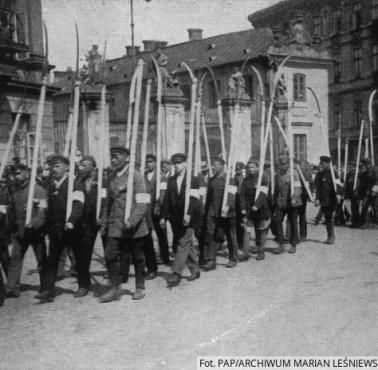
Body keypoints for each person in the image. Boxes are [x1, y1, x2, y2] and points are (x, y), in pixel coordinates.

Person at [99, 146, 150, 302]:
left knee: (138, 257)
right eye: (112, 157)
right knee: (110, 255)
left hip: (134, 226)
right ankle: (115, 287)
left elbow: (143, 203)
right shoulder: (112, 176)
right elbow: (108, 202)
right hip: (115, 225)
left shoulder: (135, 176)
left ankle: (140, 287)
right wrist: (104, 222)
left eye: (117, 157)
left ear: (127, 158)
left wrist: (132, 221)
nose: (114, 160)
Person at [37, 154, 84, 303]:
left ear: (67, 167)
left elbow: (78, 204)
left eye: (57, 166)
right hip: (55, 229)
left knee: (79, 257)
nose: (53, 169)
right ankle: (48, 290)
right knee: (52, 260)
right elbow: (47, 207)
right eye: (52, 166)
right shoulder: (50, 185)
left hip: (72, 228)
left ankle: (83, 285)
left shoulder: (74, 183)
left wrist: (72, 221)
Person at [161, 153, 203, 287]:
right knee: (185, 243)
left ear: (185, 163)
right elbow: (167, 200)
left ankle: (176, 273)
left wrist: (188, 214)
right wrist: (163, 216)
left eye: (179, 163)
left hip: (190, 217)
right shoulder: (171, 180)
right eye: (175, 164)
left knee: (183, 243)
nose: (177, 166)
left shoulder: (193, 179)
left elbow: (194, 200)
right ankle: (195, 270)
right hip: (175, 218)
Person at [6, 164, 47, 298]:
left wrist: (34, 224)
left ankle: (45, 287)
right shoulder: (14, 191)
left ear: (26, 174)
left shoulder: (38, 190)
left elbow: (43, 212)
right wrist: (11, 228)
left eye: (18, 173)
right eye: (14, 174)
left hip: (36, 232)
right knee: (15, 260)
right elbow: (12, 211)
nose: (16, 176)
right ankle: (12, 288)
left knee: (41, 260)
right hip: (19, 233)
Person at [71, 156, 102, 298]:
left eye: (85, 166)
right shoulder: (78, 182)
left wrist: (103, 218)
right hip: (84, 223)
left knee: (111, 251)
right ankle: (83, 284)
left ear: (93, 167)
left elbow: (106, 200)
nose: (81, 168)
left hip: (100, 220)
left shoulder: (102, 181)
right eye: (80, 165)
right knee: (83, 253)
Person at [202, 156, 238, 270]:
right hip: (213, 212)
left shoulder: (230, 179)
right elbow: (208, 198)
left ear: (222, 165)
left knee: (230, 236)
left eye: (216, 164)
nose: (213, 167)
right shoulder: (212, 180)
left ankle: (233, 258)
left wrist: (227, 207)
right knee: (211, 235)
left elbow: (232, 196)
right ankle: (211, 260)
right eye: (213, 164)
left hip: (227, 213)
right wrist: (206, 211)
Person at [239, 158, 271, 261]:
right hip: (249, 211)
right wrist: (243, 208)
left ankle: (261, 251)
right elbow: (242, 195)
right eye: (248, 167)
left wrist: (257, 205)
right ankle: (245, 253)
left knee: (262, 230)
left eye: (252, 167)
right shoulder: (246, 180)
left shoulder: (263, 177)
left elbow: (264, 193)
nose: (250, 169)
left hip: (261, 209)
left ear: (257, 167)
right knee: (247, 231)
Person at [273, 155, 302, 254]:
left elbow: (298, 187)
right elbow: (276, 189)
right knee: (277, 220)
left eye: (284, 164)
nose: (282, 166)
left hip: (292, 202)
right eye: (280, 164)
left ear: (288, 164)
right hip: (281, 202)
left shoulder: (294, 173)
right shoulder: (277, 174)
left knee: (293, 223)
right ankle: (280, 244)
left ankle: (293, 244)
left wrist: (295, 197)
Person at [144, 154, 169, 267]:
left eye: (150, 162)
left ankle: (165, 257)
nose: (148, 164)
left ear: (155, 163)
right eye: (146, 162)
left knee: (161, 233)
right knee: (148, 233)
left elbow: (163, 192)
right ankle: (151, 258)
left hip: (157, 208)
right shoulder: (143, 176)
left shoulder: (161, 176)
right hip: (146, 209)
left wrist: (159, 205)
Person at [314, 156, 341, 244]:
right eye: (322, 163)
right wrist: (317, 198)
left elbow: (338, 185)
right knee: (327, 217)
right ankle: (330, 236)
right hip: (323, 199)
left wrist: (338, 194)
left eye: (324, 163)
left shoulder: (334, 173)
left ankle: (331, 237)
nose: (322, 164)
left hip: (332, 199)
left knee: (329, 217)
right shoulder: (319, 174)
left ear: (328, 163)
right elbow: (317, 188)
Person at [344, 161, 359, 228]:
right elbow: (347, 184)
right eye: (349, 166)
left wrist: (357, 190)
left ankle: (356, 222)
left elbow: (359, 183)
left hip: (356, 193)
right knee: (352, 207)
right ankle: (353, 221)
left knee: (356, 207)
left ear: (354, 167)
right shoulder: (348, 174)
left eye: (351, 166)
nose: (349, 167)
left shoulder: (357, 174)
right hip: (350, 193)